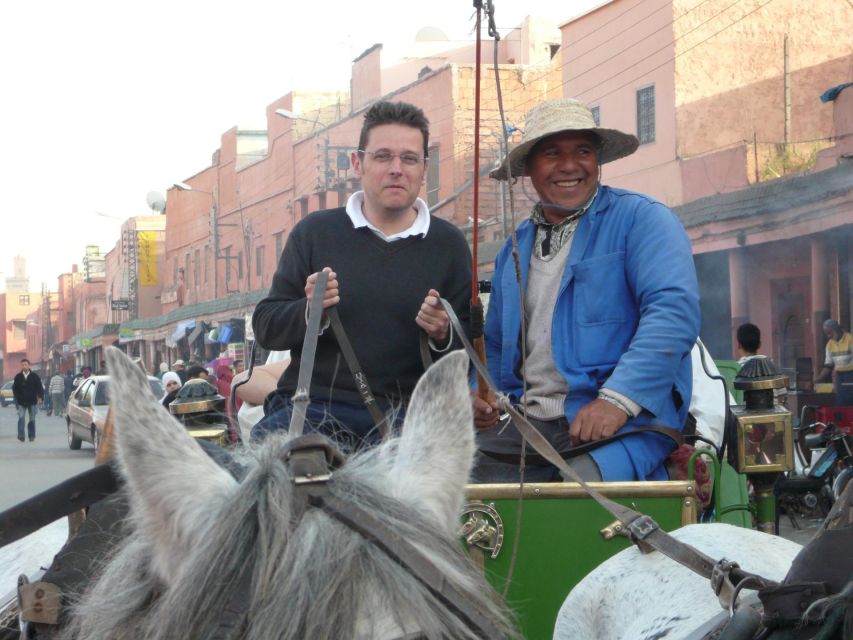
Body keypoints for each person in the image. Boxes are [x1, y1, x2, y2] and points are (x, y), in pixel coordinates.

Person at [474, 97, 700, 482]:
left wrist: (615, 401)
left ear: (597, 161)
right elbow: (495, 345)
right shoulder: (512, 249)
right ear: (528, 167)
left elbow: (673, 313)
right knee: (445, 483)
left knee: (577, 496)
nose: (569, 166)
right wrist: (485, 398)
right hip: (527, 422)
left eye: (582, 151)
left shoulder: (643, 220)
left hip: (627, 421)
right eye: (552, 153)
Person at [252, 100, 472, 449]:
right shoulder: (314, 233)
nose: (396, 169)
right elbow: (265, 327)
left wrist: (444, 332)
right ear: (359, 163)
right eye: (383, 156)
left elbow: (468, 355)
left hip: (409, 419)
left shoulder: (449, 245)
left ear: (424, 168)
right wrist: (310, 310)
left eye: (409, 158)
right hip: (315, 410)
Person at [816, 319, 853, 406]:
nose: (828, 336)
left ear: (836, 329)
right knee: (841, 401)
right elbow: (828, 366)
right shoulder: (829, 345)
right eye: (826, 333)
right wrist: (817, 380)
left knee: (849, 401)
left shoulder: (850, 339)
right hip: (839, 375)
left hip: (851, 374)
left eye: (830, 332)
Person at [12, 358, 43, 442]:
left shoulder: (34, 376)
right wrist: (17, 398)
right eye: (22, 365)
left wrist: (40, 397)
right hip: (21, 402)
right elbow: (14, 389)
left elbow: (39, 388)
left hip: (32, 401)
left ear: (29, 365)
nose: (24, 366)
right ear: (21, 366)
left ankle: (31, 435)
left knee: (32, 419)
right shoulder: (18, 377)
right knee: (21, 418)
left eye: (26, 365)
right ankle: (21, 435)